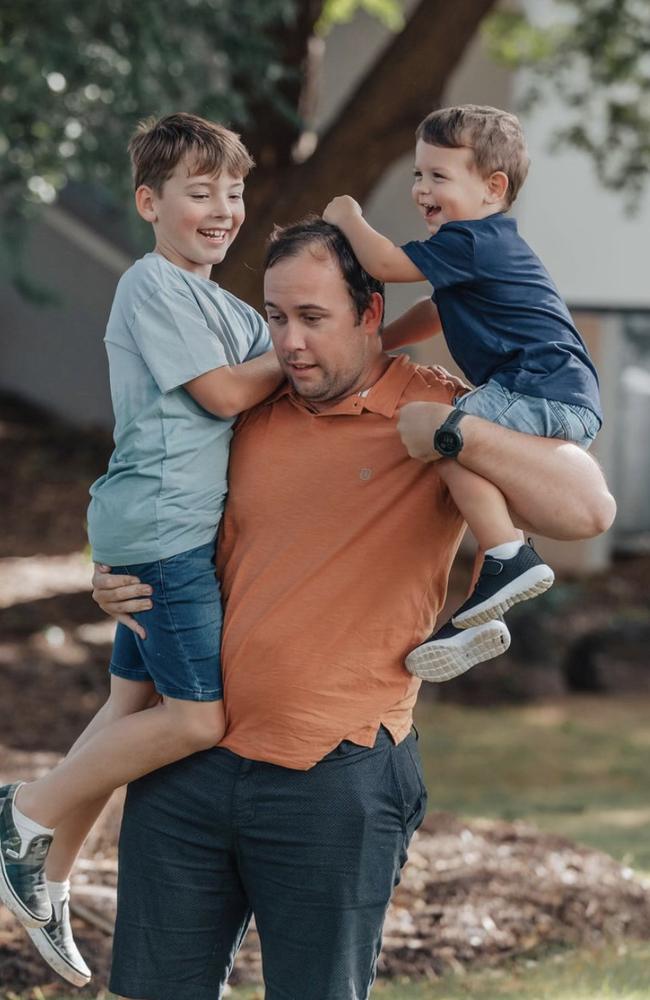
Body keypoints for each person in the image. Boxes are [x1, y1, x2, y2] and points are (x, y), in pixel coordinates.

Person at [90, 219, 615, 1000]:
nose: (290, 342)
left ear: (371, 314)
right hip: (185, 765)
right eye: (275, 317)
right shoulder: (243, 406)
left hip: (333, 779)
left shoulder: (435, 407)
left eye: (313, 318)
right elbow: (151, 490)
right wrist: (114, 572)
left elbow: (588, 509)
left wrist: (454, 434)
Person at [0, 112, 283, 987]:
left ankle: (43, 874)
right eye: (199, 192)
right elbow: (230, 393)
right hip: (161, 529)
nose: (222, 208)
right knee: (197, 718)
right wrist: (308, 352)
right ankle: (22, 814)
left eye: (233, 192)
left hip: (164, 527)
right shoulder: (149, 286)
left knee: (130, 706)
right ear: (148, 201)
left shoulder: (229, 306)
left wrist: (301, 348)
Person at [323, 104, 604, 675]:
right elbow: (435, 309)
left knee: (444, 436)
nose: (422, 189)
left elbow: (383, 260)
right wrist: (383, 343)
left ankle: (507, 554)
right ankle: (484, 609)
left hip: (538, 386)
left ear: (492, 187)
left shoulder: (470, 241)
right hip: (557, 391)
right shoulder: (478, 249)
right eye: (418, 175)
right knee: (474, 461)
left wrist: (347, 214)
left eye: (439, 177)